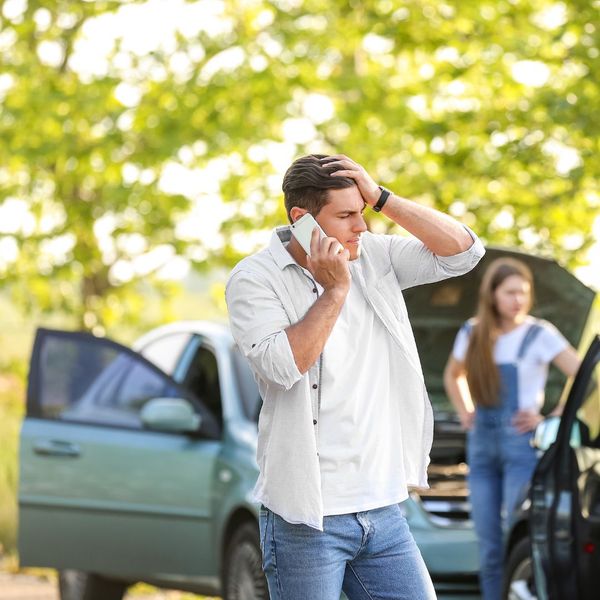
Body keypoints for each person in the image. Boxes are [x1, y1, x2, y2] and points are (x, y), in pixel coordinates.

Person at [226, 153, 485, 600]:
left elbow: (464, 253)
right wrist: (336, 290)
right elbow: (283, 365)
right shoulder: (254, 278)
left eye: (362, 212)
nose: (360, 227)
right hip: (306, 518)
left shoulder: (376, 255)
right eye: (346, 216)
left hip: (383, 510)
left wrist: (383, 198)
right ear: (301, 219)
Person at [443, 257, 580, 600]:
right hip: (481, 447)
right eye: (510, 292)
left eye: (524, 292)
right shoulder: (473, 331)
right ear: (492, 295)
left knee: (514, 537)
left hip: (522, 448)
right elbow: (452, 374)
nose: (518, 300)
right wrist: (466, 411)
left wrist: (552, 417)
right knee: (488, 543)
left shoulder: (539, 333)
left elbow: (583, 374)